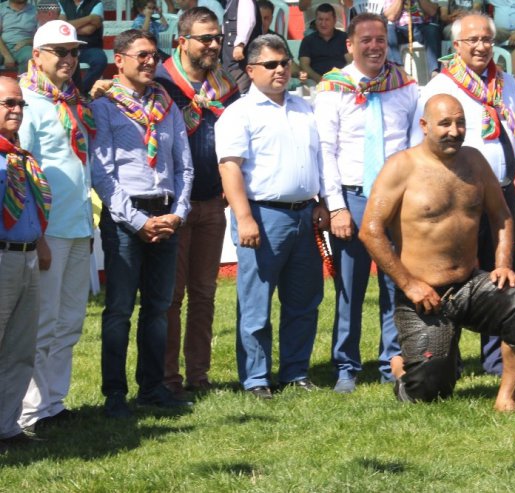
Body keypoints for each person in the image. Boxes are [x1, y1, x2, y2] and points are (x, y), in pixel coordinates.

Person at [359, 94, 515, 412]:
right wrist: (409, 284)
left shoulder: (474, 162)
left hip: (469, 285)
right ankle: (404, 367)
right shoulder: (401, 167)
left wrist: (502, 264)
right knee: (432, 392)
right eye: (445, 123)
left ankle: (506, 396)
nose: (454, 131)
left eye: (460, 123)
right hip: (424, 295)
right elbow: (370, 231)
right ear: (424, 126)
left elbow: (501, 215)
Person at [412, 13, 515, 377]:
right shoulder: (440, 88)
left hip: (503, 192)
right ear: (456, 46)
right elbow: (423, 142)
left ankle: (495, 361)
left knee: (500, 274)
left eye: (487, 40)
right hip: (458, 197)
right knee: (454, 277)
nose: (481, 46)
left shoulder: (506, 82)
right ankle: (449, 360)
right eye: (472, 40)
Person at [215, 34, 329, 400]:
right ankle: (256, 378)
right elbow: (230, 169)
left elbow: (320, 161)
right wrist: (244, 218)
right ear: (250, 70)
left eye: (284, 63)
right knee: (256, 304)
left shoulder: (304, 107)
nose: (280, 70)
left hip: (304, 213)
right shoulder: (239, 113)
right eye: (270, 64)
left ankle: (295, 372)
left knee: (304, 301)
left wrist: (324, 203)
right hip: (263, 215)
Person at [90, 29, 194, 418]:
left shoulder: (166, 104)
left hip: (165, 212)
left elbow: (183, 164)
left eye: (154, 55)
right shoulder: (103, 106)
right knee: (118, 309)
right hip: (125, 218)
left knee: (159, 307)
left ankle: (152, 388)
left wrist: (178, 212)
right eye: (142, 56)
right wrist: (136, 221)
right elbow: (101, 172)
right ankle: (114, 394)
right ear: (120, 60)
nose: (151, 62)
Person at [314, 13, 417, 393]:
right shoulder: (332, 88)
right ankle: (346, 365)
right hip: (354, 197)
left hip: (396, 200)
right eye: (366, 40)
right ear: (350, 45)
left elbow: (413, 144)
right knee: (349, 288)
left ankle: (392, 361)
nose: (374, 46)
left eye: (380, 40)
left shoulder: (405, 86)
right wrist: (337, 206)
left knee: (395, 283)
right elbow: (326, 150)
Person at [157, 7, 239, 397]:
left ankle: (199, 376)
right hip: (172, 205)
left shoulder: (226, 85)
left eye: (217, 38)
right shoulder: (160, 83)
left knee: (204, 293)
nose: (213, 45)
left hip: (211, 201)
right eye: (204, 38)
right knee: (171, 296)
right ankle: (168, 378)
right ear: (181, 41)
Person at [16, 20, 93, 432]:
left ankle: (54, 404)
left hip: (78, 224)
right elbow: (21, 173)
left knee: (70, 322)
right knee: (42, 324)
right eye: (59, 51)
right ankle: (31, 411)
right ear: (37, 56)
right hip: (49, 231)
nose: (68, 59)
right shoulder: (26, 102)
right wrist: (38, 235)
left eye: (74, 52)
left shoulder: (71, 100)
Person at [0, 76, 49, 451]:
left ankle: (7, 426)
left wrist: (40, 242)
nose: (16, 109)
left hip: (27, 256)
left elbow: (28, 205)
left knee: (20, 347)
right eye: (7, 104)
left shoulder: (18, 155)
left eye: (19, 103)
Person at [58, 0, 107, 94]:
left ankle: (81, 92)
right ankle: (67, 92)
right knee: (65, 59)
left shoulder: (96, 3)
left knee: (100, 60)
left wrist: (69, 25)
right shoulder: (62, 2)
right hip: (69, 47)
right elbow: (62, 26)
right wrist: (89, 19)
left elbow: (89, 30)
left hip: (90, 47)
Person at [384, 0, 442, 78]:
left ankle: (434, 72)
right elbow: (391, 17)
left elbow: (433, 12)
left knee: (432, 30)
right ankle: (399, 71)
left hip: (422, 27)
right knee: (388, 30)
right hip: (400, 28)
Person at [299, 3, 350, 83]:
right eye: (320, 19)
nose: (323, 24)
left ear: (334, 21)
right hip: (315, 81)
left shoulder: (344, 38)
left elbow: (350, 62)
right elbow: (304, 65)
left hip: (341, 80)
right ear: (315, 21)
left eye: (327, 20)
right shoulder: (308, 40)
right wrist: (321, 80)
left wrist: (340, 78)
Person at [222, 0, 261, 94]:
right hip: (230, 59)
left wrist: (240, 44)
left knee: (240, 91)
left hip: (239, 61)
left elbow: (248, 20)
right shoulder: (230, 2)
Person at [0, 0, 37, 71]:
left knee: (30, 57)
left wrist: (27, 42)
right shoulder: (1, 8)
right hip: (2, 45)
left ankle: (24, 82)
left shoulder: (35, 11)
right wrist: (7, 55)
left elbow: (42, 37)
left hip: (24, 47)